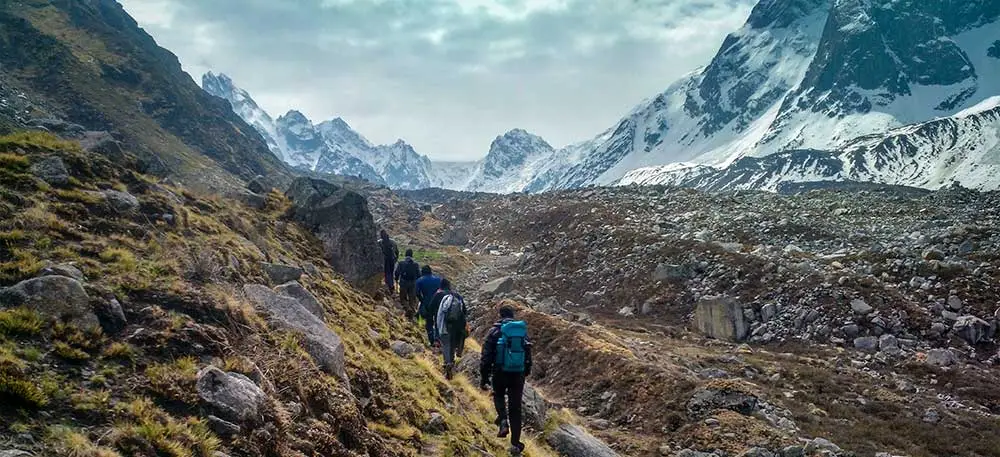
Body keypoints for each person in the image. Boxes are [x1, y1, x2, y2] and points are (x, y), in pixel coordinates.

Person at [480, 305, 532, 454]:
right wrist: (526, 371)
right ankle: (515, 444)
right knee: (516, 408)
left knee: (498, 394)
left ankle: (503, 421)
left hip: (499, 371)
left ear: (500, 315)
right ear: (512, 315)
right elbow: (528, 353)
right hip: (518, 374)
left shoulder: (494, 331)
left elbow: (486, 356)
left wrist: (484, 377)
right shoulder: (522, 333)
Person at [432, 279, 467, 380]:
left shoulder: (438, 295)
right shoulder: (458, 296)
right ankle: (451, 362)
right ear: (450, 285)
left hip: (444, 324)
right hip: (457, 325)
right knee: (452, 344)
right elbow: (464, 311)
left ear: (441, 286)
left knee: (446, 344)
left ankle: (447, 363)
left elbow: (430, 308)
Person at [415, 265, 442, 345]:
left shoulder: (419, 281)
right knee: (438, 321)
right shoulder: (438, 280)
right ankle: (438, 338)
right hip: (438, 303)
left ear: (422, 272)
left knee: (429, 322)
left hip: (427, 304)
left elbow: (417, 293)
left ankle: (431, 339)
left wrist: (422, 300)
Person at [394, 249, 420, 319]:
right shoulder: (416, 264)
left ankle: (408, 309)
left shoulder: (401, 263)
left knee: (403, 298)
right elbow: (419, 275)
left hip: (403, 282)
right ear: (412, 255)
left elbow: (397, 272)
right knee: (412, 298)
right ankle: (413, 311)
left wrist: (396, 279)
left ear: (405, 254)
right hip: (413, 283)